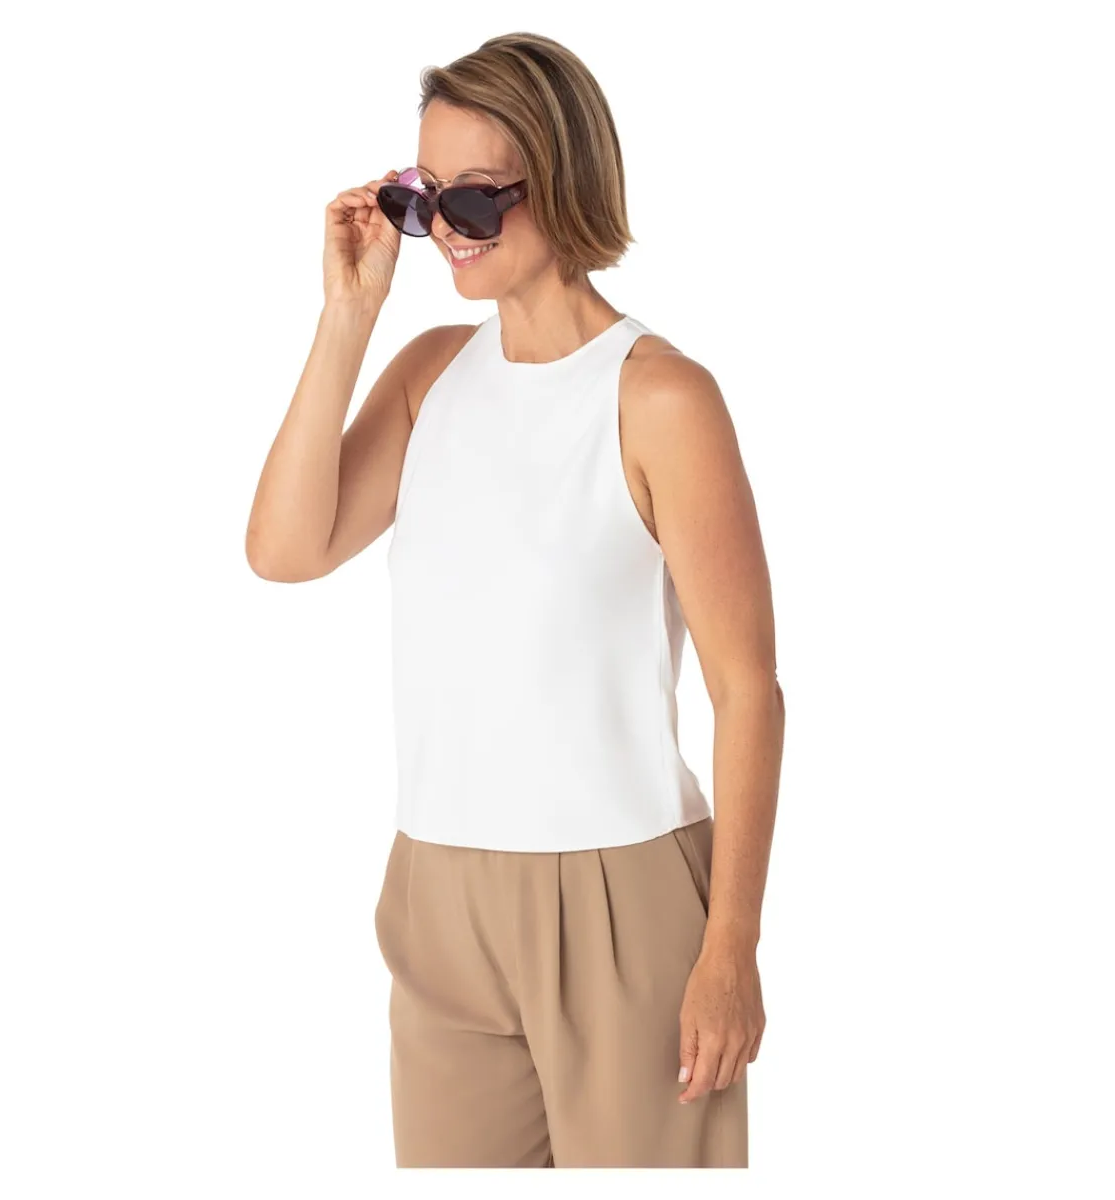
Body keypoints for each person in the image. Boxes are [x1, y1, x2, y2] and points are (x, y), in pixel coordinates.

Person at [245, 32, 784, 1168]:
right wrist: (349, 317)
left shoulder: (661, 399)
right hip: (436, 890)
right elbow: (285, 552)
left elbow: (747, 690)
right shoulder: (429, 376)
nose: (445, 227)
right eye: (421, 197)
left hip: (620, 893)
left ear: (565, 179)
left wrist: (731, 944)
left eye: (476, 198)